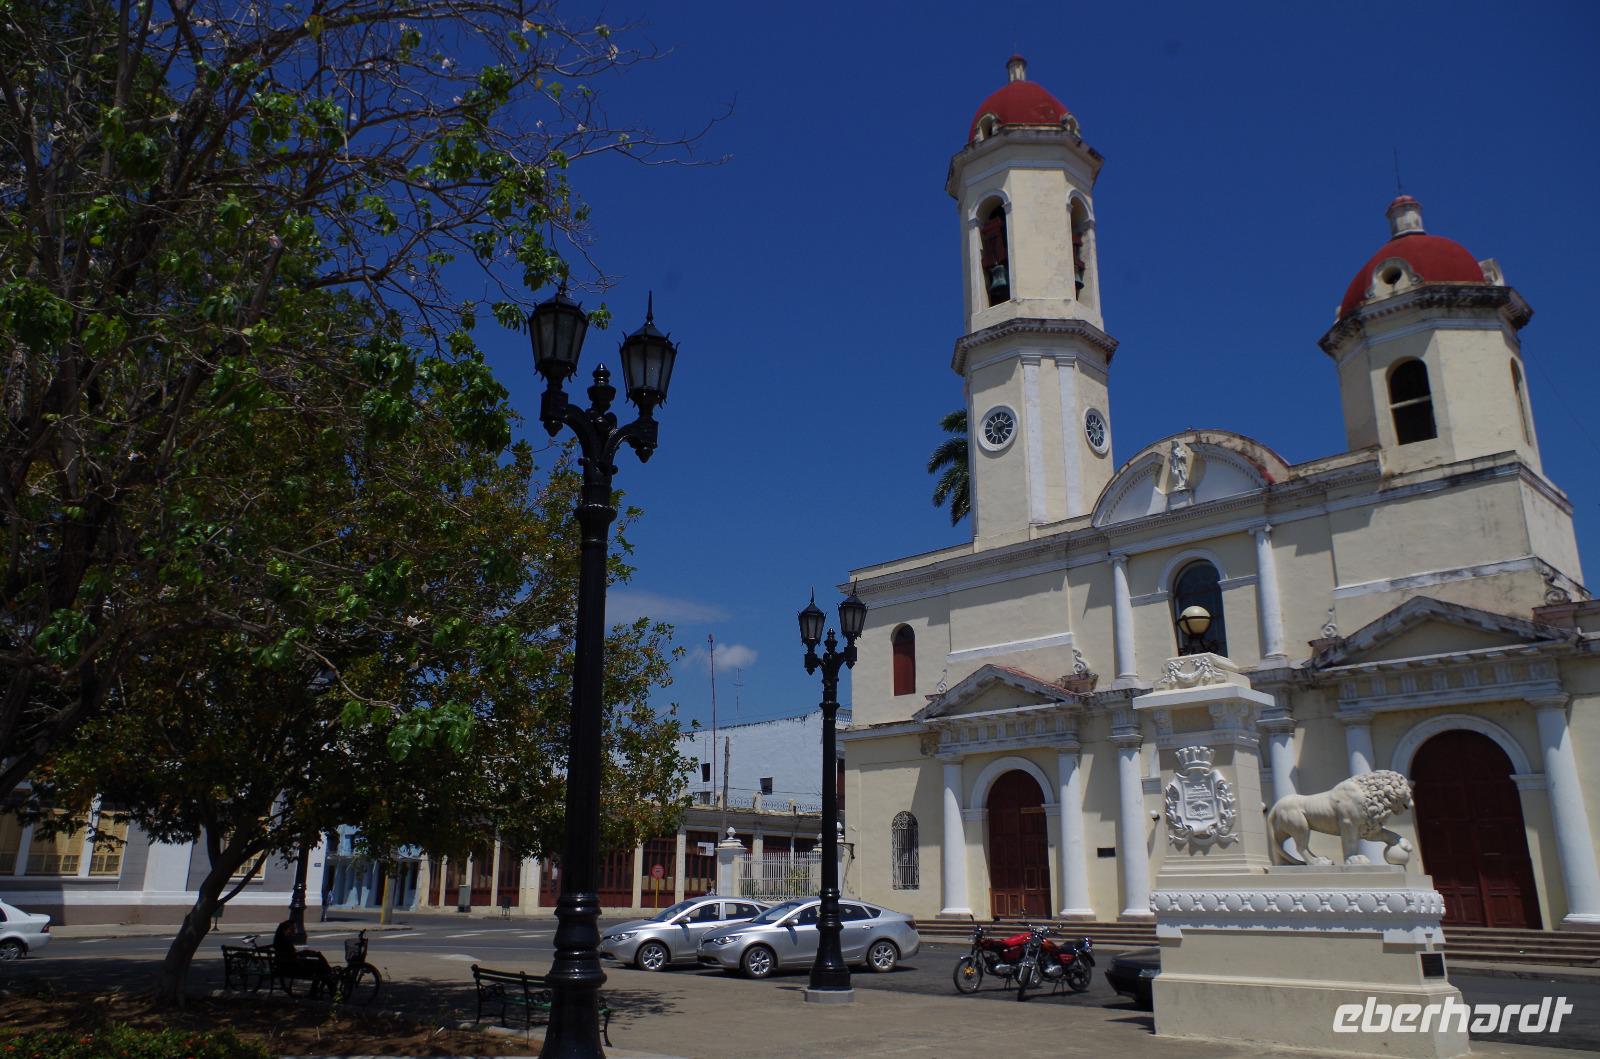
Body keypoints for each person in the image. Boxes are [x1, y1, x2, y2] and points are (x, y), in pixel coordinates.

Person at [273, 918, 332, 992]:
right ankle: (327, 985)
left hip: (285, 966)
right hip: (291, 968)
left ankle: (319, 988)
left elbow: (292, 955)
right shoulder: (285, 941)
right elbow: (293, 957)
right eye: (293, 928)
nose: (295, 931)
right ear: (287, 930)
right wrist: (303, 955)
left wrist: (303, 954)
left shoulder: (280, 939)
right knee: (321, 968)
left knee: (319, 963)